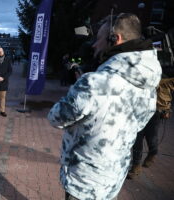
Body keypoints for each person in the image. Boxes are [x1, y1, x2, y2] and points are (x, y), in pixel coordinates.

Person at [47, 13, 162, 200]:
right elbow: (141, 123)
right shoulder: (149, 82)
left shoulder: (94, 82)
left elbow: (55, 117)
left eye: (98, 38)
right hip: (114, 176)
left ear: (115, 39)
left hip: (85, 180)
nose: (94, 44)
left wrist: (78, 87)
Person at [128, 76, 174, 179]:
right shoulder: (135, 80)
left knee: (151, 137)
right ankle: (136, 166)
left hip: (155, 113)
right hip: (138, 113)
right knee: (137, 139)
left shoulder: (163, 82)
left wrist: (166, 109)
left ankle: (153, 153)